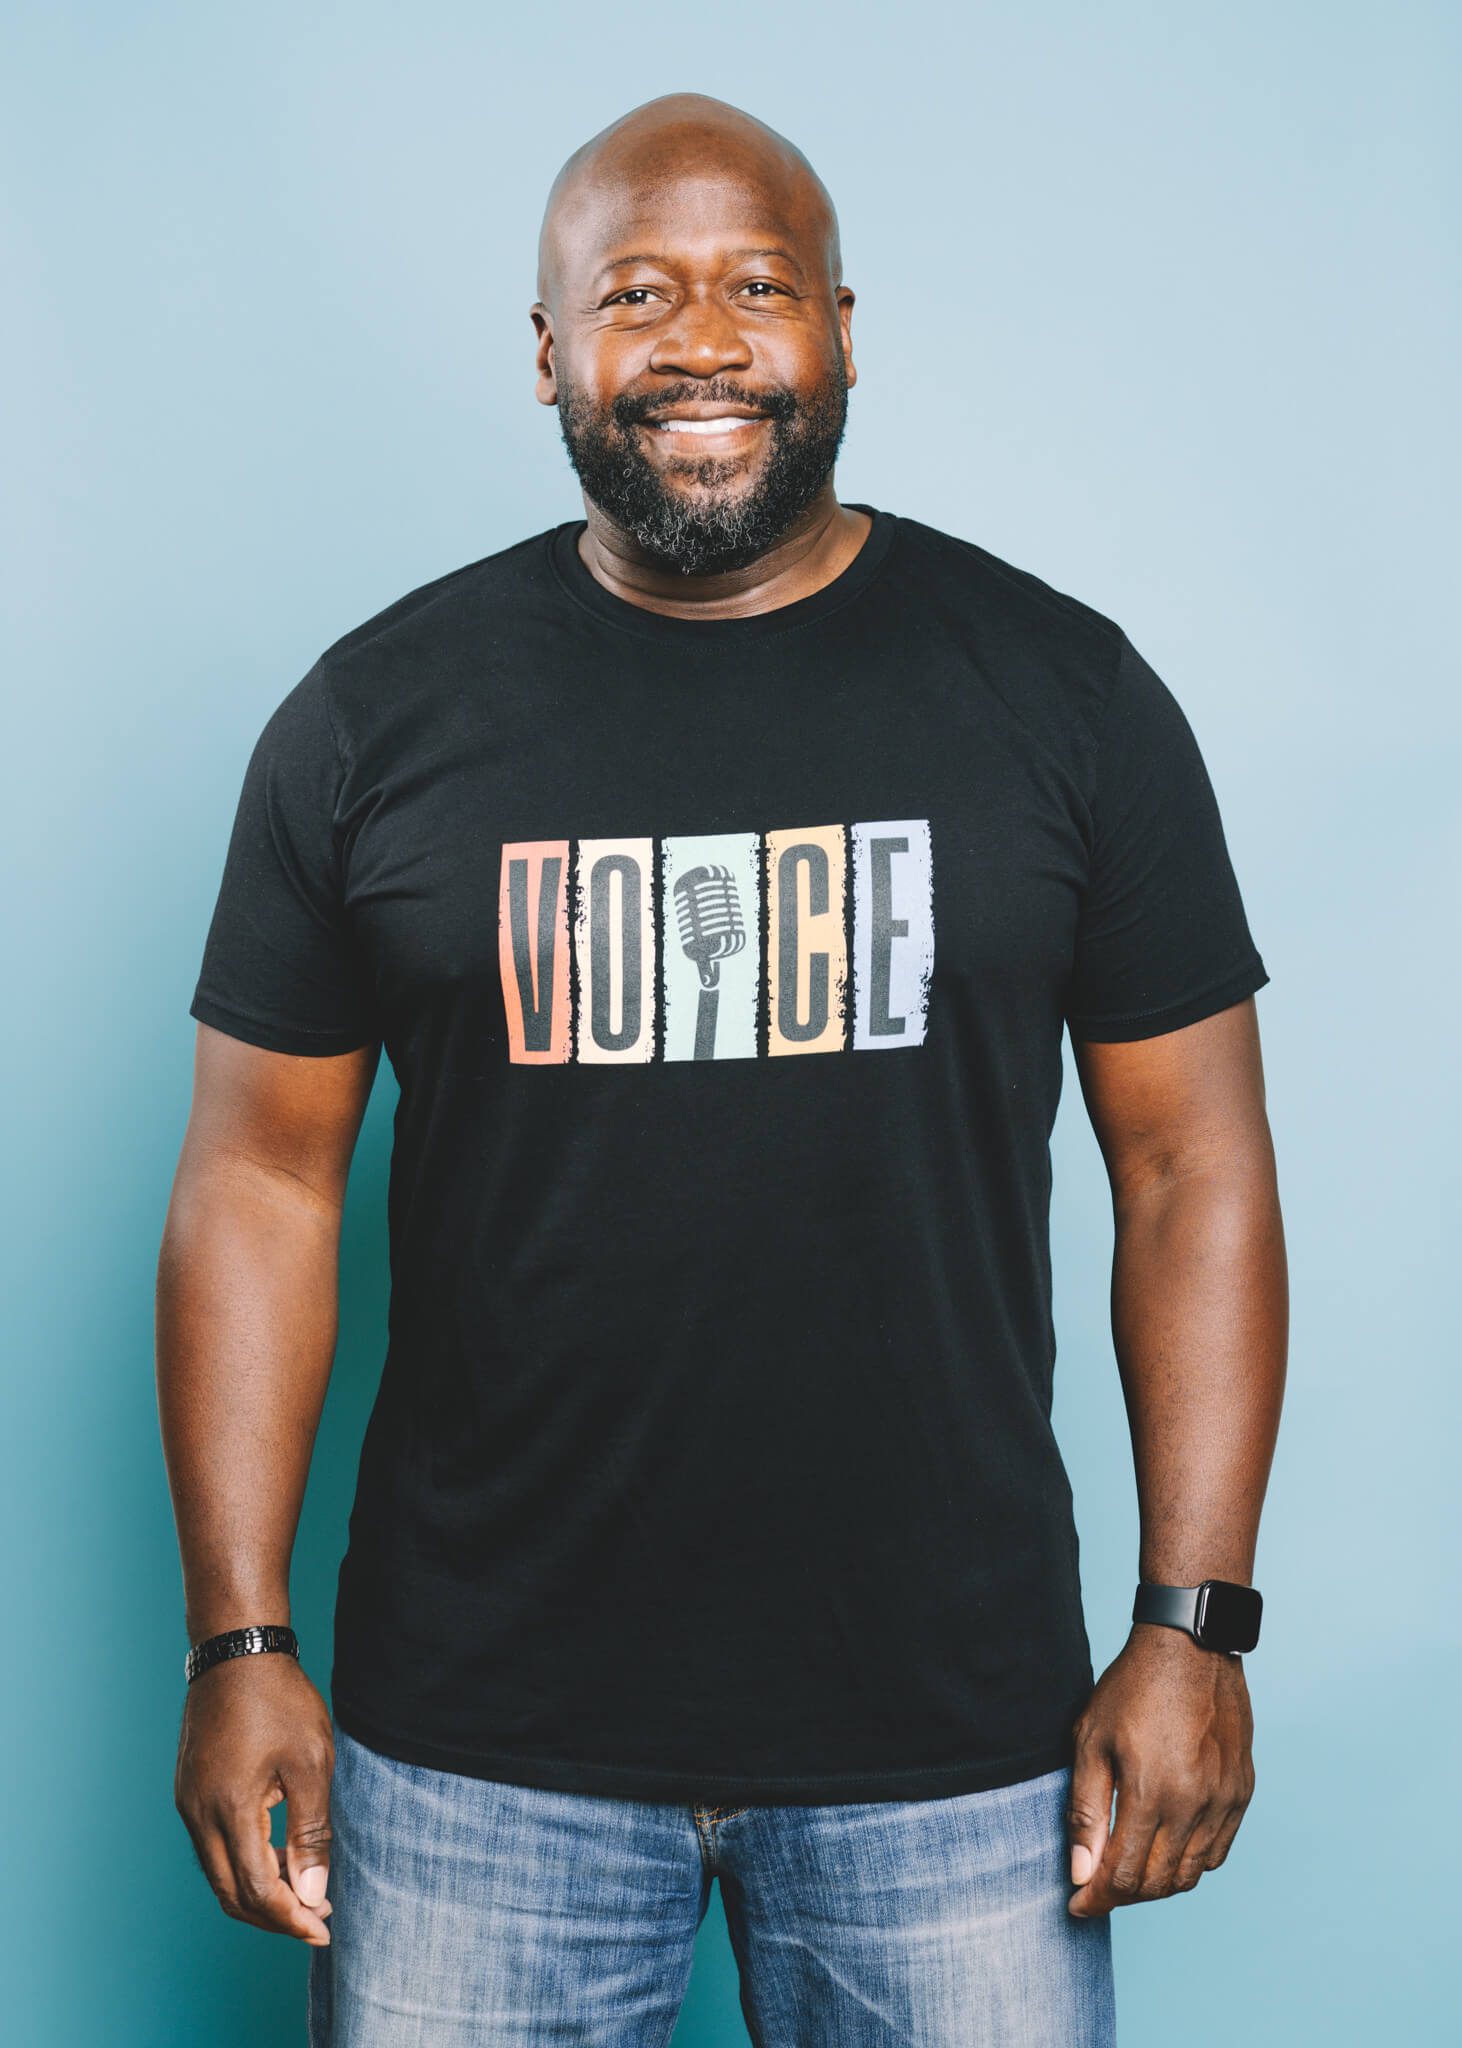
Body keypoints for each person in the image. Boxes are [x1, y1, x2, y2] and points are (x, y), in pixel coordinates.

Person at [157, 89, 1287, 2048]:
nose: (697, 341)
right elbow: (258, 1180)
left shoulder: (1061, 699)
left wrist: (1190, 1628)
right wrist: (238, 1642)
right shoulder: (373, 723)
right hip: (473, 1753)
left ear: (840, 327)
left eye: (755, 287)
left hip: (952, 1749)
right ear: (546, 352)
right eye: (635, 292)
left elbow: (1191, 1163)